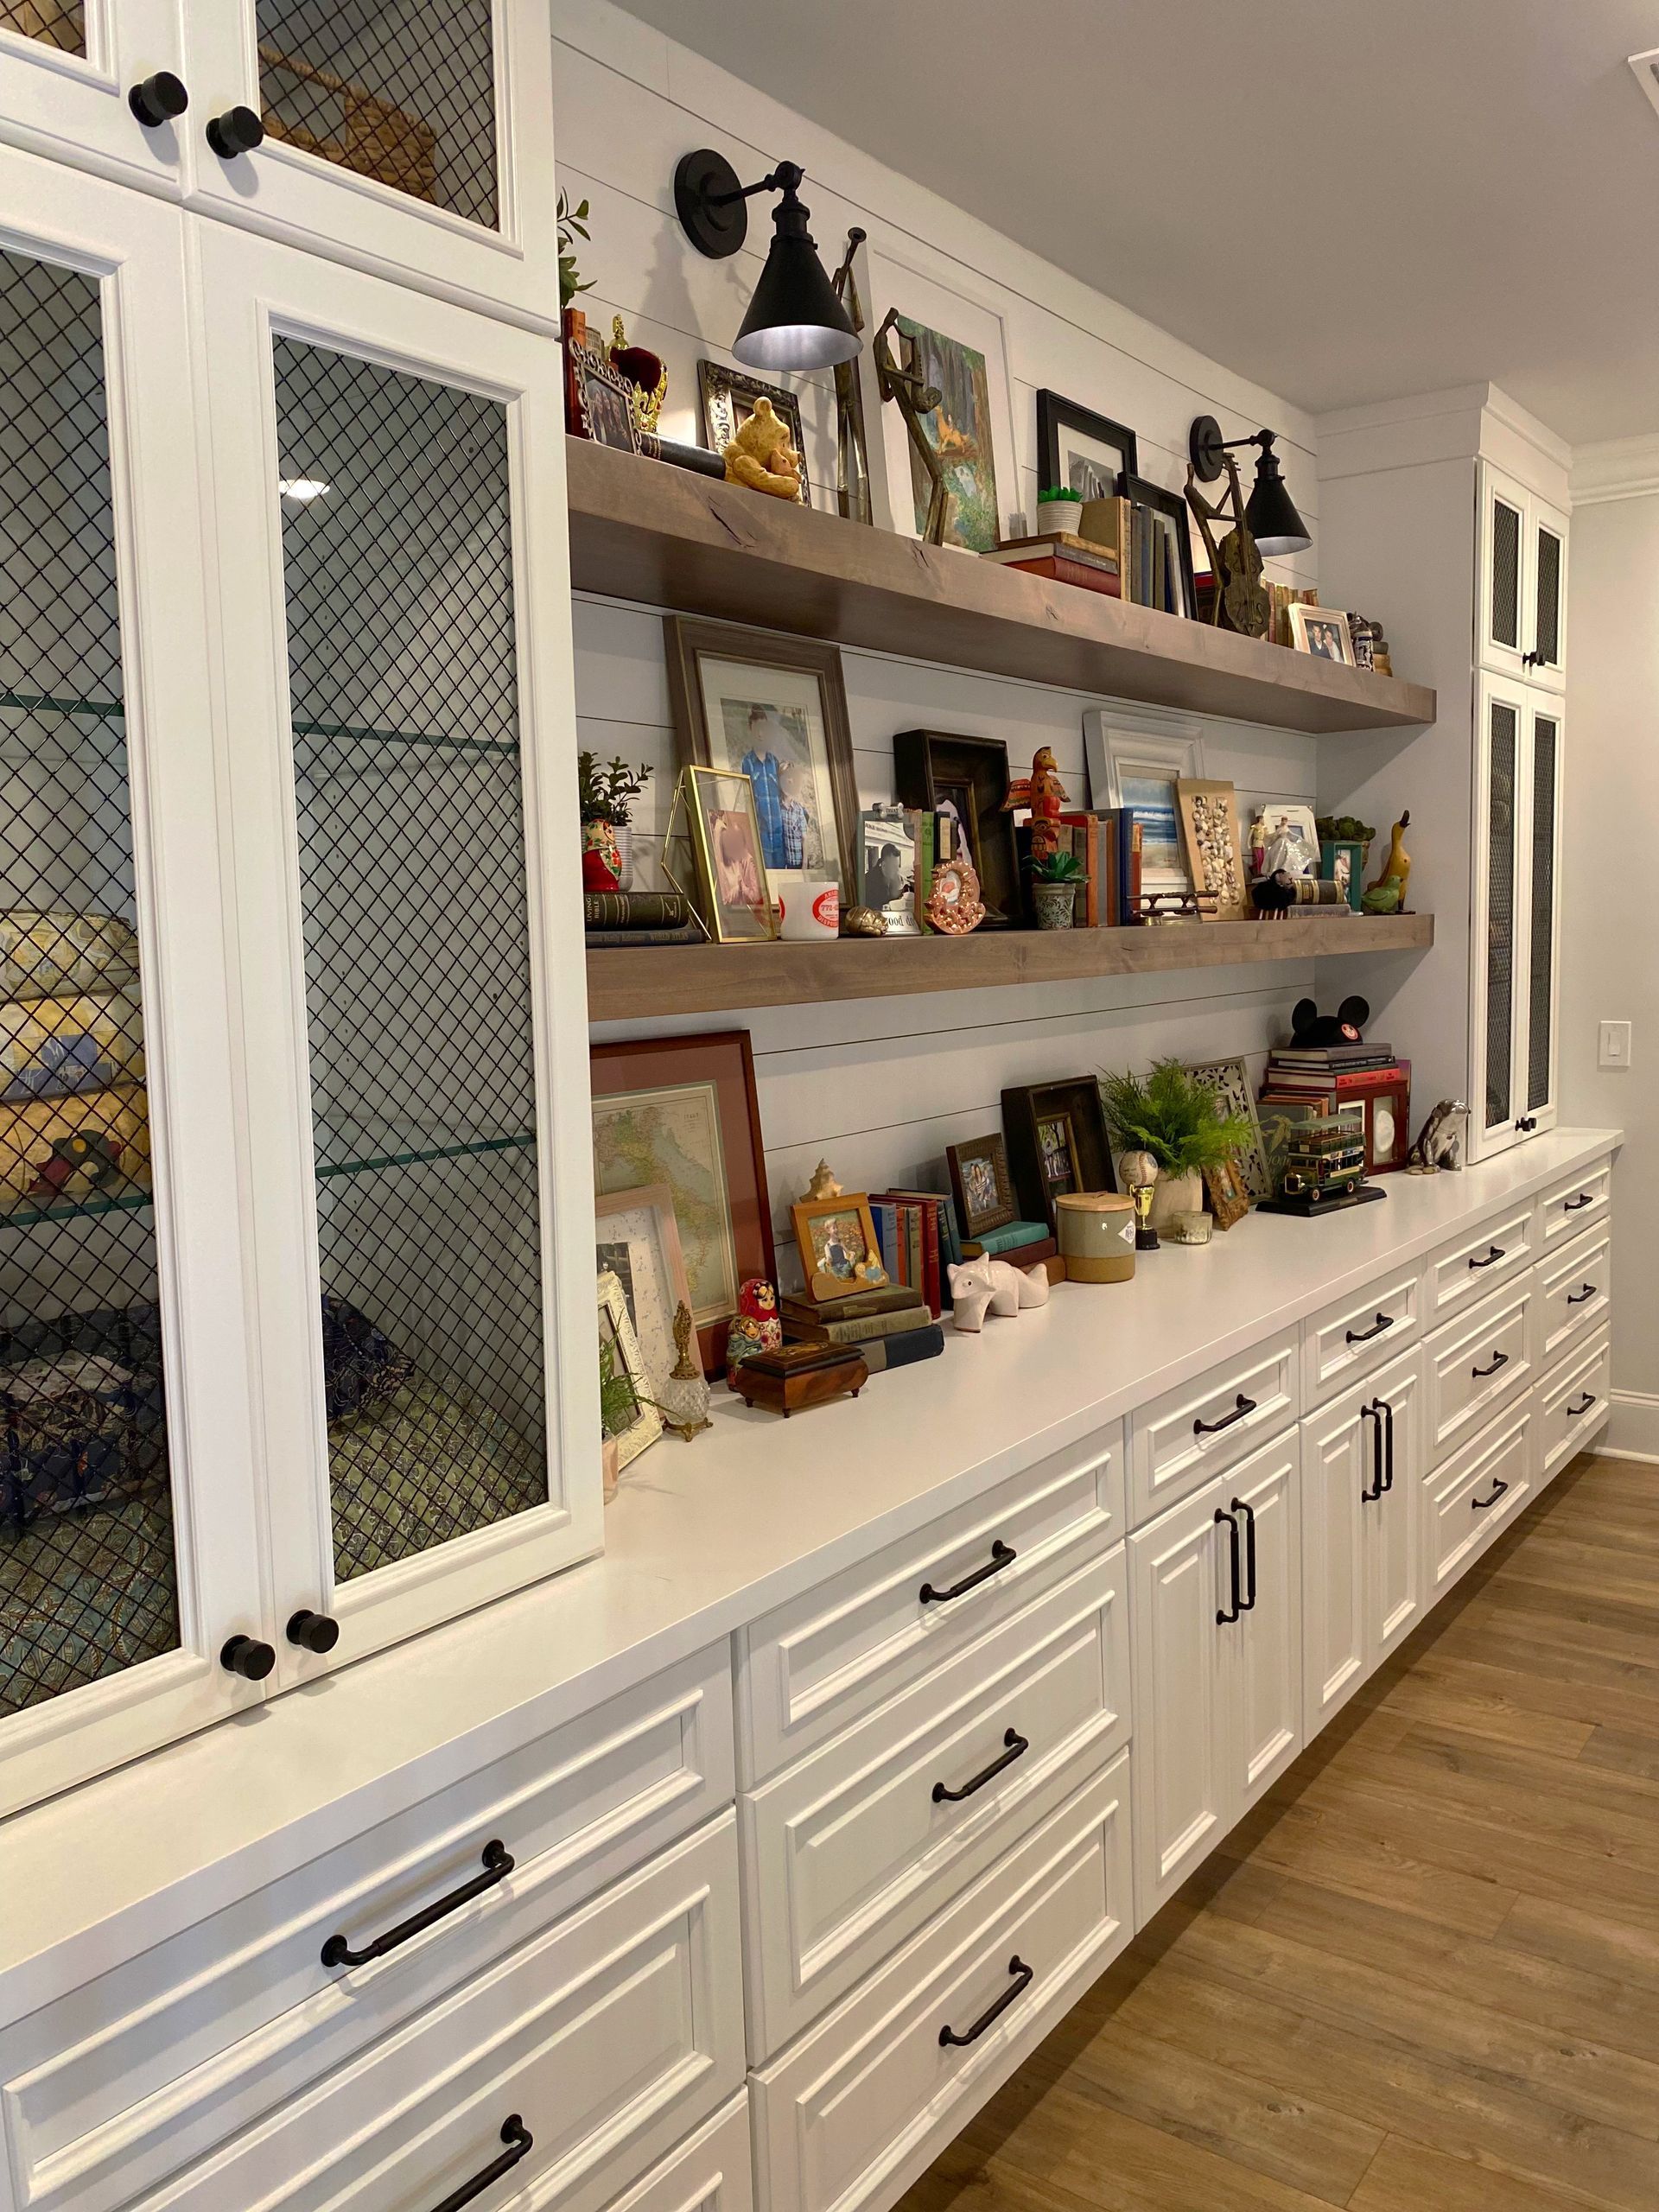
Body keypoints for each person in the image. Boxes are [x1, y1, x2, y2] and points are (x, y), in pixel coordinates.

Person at [740, 704, 788, 868]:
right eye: (756, 728)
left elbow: (782, 795)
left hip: (779, 834)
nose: (760, 733)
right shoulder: (747, 762)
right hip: (762, 835)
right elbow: (748, 798)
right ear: (751, 729)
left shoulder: (774, 762)